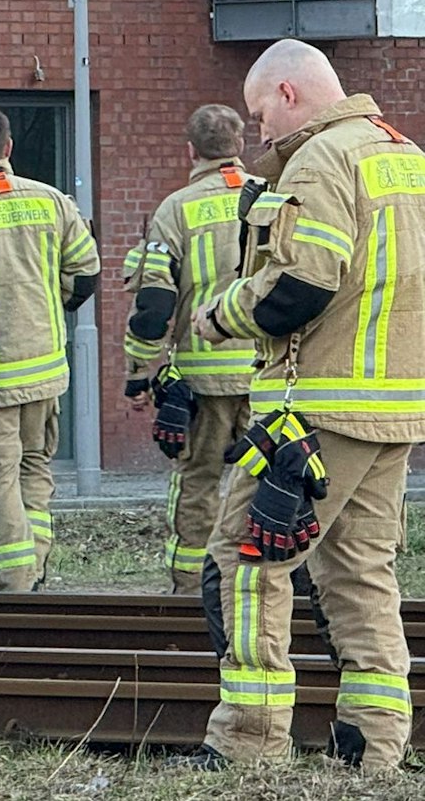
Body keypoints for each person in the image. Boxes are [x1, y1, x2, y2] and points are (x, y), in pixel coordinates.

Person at [183, 40, 425, 774]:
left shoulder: (322, 159)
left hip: (316, 410)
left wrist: (222, 312)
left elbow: (301, 287)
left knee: (246, 559)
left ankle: (249, 741)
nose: (258, 132)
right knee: (361, 570)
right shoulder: (405, 154)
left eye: (260, 113)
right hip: (394, 406)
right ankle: (375, 747)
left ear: (288, 93)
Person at [0, 108, 99, 590]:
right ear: (9, 148)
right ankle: (38, 563)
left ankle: (12, 576)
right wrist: (52, 305)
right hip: (46, 369)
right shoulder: (52, 202)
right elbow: (86, 273)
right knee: (36, 465)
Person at [123, 105, 256, 592]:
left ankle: (191, 585)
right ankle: (256, 582)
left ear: (191, 151)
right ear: (241, 146)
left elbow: (154, 304)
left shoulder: (177, 209)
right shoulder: (273, 199)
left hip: (204, 378)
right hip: (269, 378)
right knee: (267, 481)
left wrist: (139, 372)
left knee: (198, 480)